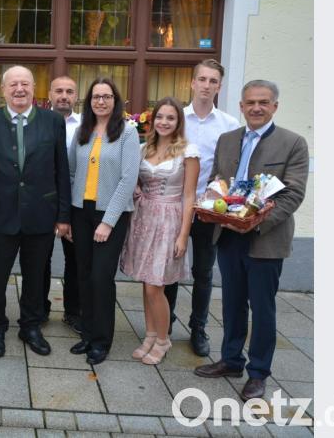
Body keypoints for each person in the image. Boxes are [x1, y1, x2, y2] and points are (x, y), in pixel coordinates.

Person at [194, 80, 309, 400]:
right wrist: (212, 202)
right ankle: (231, 360)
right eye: (250, 103)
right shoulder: (228, 139)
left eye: (264, 102)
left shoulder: (293, 143)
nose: (256, 108)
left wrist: (255, 223)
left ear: (275, 106)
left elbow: (293, 194)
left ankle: (258, 373)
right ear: (241, 107)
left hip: (265, 239)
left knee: (262, 307)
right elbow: (218, 179)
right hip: (228, 235)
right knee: (231, 303)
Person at [0, 65, 71, 358]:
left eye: (25, 84)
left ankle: (30, 325)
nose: (20, 89)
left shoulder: (53, 121)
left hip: (40, 212)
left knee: (35, 275)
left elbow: (61, 169)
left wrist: (63, 216)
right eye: (13, 84)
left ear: (34, 89)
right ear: (2, 90)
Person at [163, 59, 239, 356]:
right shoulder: (177, 118)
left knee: (204, 272)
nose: (207, 85)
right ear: (192, 83)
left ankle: (198, 328)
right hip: (175, 206)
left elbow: (230, 168)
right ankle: (165, 322)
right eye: (202, 79)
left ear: (219, 86)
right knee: (170, 267)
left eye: (213, 81)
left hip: (208, 210)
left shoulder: (229, 125)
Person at [120, 97, 199, 365]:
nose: (164, 122)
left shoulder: (188, 152)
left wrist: (183, 235)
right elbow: (132, 179)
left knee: (156, 286)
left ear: (178, 122)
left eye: (170, 118)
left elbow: (189, 197)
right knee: (146, 282)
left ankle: (163, 340)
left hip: (169, 220)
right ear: (153, 121)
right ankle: (150, 334)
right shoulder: (143, 149)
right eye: (160, 117)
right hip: (144, 218)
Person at [67, 78, 139, 365]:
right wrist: (70, 215)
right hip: (80, 211)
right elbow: (72, 172)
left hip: (112, 214)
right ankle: (87, 333)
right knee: (83, 275)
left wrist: (108, 221)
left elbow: (127, 179)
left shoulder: (127, 134)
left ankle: (101, 340)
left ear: (115, 100)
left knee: (101, 277)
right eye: (96, 96)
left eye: (106, 96)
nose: (101, 101)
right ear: (89, 101)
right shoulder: (81, 132)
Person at [43, 75, 82, 333]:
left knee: (75, 259)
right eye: (59, 91)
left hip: (75, 201)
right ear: (49, 95)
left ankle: (73, 311)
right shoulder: (40, 123)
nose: (64, 96)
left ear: (76, 96)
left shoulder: (85, 126)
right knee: (41, 258)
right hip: (44, 200)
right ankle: (40, 307)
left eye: (69, 91)